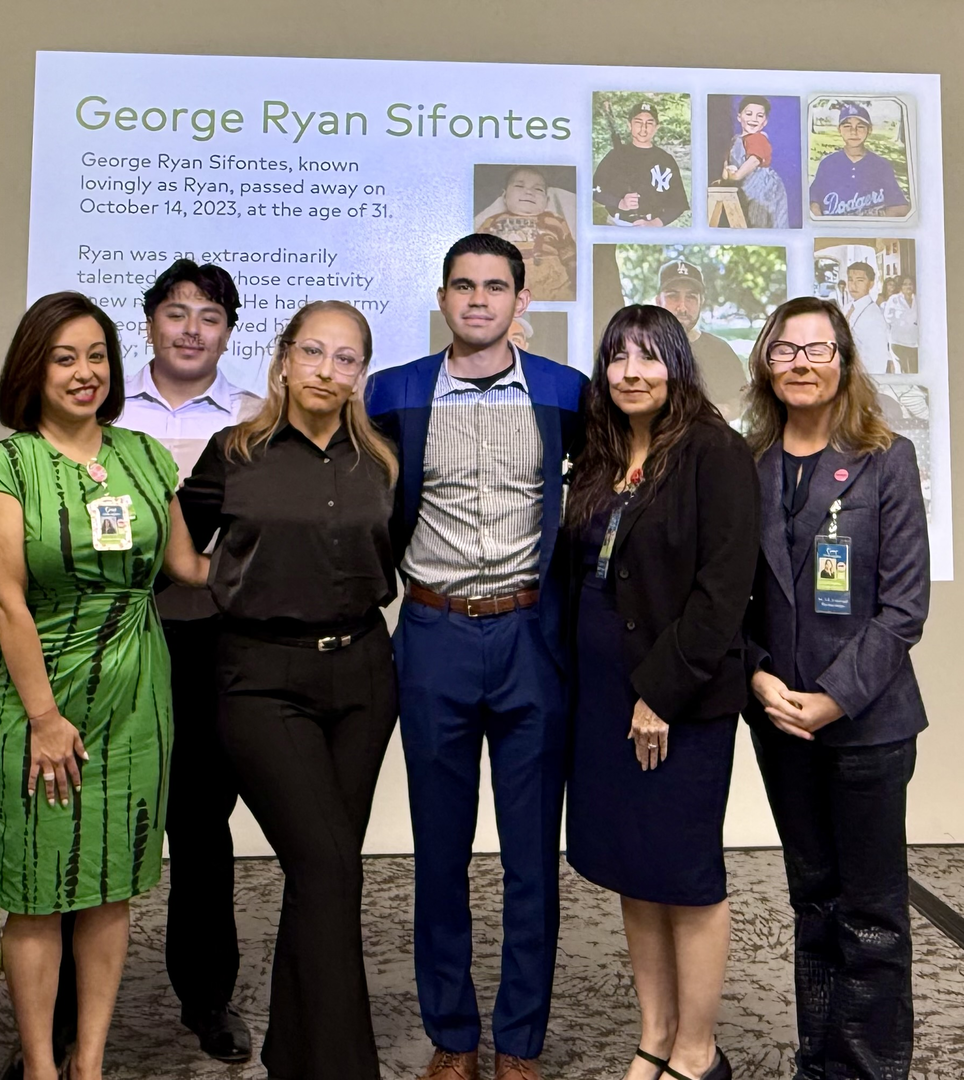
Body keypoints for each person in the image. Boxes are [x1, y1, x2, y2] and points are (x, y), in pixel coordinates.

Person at [0, 292, 205, 1080]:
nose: (85, 372)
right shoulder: (6, 465)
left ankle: (88, 1059)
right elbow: (5, 601)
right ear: (32, 368)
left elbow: (186, 568)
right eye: (65, 357)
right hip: (43, 694)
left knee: (110, 881)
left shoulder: (142, 454)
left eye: (97, 355)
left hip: (138, 692)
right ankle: (39, 1063)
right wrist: (43, 717)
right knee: (35, 887)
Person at [368, 233, 588, 1080]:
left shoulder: (568, 394)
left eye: (496, 287)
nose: (479, 301)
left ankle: (520, 1042)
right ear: (443, 296)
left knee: (532, 857)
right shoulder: (394, 393)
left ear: (521, 301)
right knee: (440, 851)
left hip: (531, 636)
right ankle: (453, 1037)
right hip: (434, 636)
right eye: (464, 286)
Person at [179, 300, 399, 1080]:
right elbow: (180, 538)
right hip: (261, 679)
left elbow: (391, 551)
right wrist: (225, 582)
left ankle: (289, 1052)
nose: (327, 370)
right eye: (314, 351)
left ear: (360, 374)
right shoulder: (233, 451)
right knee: (331, 864)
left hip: (366, 677)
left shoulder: (381, 459)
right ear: (282, 358)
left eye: (346, 358)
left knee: (325, 871)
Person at [564, 305, 757, 1080]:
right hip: (602, 696)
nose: (631, 373)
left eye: (649, 357)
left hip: (679, 700)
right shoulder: (603, 454)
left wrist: (662, 695)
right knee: (632, 870)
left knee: (683, 872)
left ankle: (699, 1051)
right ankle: (655, 1035)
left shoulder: (716, 453)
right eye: (617, 358)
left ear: (678, 365)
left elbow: (723, 591)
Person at [742, 296, 929, 1080]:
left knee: (873, 915)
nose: (802, 364)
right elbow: (731, 596)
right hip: (778, 721)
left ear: (845, 361)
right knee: (812, 903)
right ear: (764, 364)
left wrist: (833, 696)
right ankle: (820, 1062)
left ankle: (872, 1068)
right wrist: (755, 674)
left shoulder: (886, 458)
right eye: (785, 351)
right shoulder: (746, 466)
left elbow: (903, 607)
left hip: (868, 726)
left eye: (818, 350)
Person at [122, 259, 261, 1059]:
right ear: (149, 323)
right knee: (95, 822)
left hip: (214, 642)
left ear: (228, 332)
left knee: (203, 827)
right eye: (176, 314)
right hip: (113, 641)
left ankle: (207, 998)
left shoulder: (252, 417)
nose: (191, 330)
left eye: (209, 318)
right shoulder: (104, 409)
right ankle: (65, 1012)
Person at [654, 259, 748, 421]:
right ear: (658, 301)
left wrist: (723, 411)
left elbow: (742, 397)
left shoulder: (719, 350)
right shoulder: (643, 348)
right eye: (672, 296)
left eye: (690, 297)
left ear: (701, 302)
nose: (682, 307)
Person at [474, 166, 577, 300]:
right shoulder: (493, 222)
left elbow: (570, 257)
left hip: (554, 288)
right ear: (505, 196)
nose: (529, 192)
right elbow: (476, 256)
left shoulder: (556, 221)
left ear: (547, 201)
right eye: (519, 186)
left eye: (538, 189)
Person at [593, 101, 689, 227]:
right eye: (638, 122)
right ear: (629, 125)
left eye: (649, 123)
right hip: (615, 224)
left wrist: (655, 223)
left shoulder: (665, 160)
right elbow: (593, 189)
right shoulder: (615, 156)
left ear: (656, 127)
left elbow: (678, 204)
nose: (643, 128)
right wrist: (619, 203)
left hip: (651, 229)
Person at [809, 102, 910, 219]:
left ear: (869, 130)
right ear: (839, 130)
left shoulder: (881, 165)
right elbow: (812, 201)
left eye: (860, 126)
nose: (853, 132)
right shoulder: (827, 164)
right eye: (847, 126)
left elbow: (902, 207)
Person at [719, 96, 790, 229]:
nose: (753, 119)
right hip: (745, 188)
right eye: (749, 114)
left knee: (761, 219)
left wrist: (736, 175)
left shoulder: (758, 138)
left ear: (765, 122)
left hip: (763, 187)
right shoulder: (736, 140)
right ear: (739, 117)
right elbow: (727, 161)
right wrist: (727, 174)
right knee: (747, 219)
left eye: (759, 116)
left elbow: (754, 160)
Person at [842, 262, 894, 374]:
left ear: (871, 284)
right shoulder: (847, 308)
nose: (853, 285)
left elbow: (877, 361)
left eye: (860, 280)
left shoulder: (874, 316)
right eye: (850, 280)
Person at [884, 275, 919, 373]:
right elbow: (887, 317)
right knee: (901, 372)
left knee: (913, 371)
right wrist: (900, 322)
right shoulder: (894, 299)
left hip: (913, 342)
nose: (908, 287)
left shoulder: (918, 300)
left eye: (910, 284)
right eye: (905, 284)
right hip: (898, 341)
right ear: (901, 287)